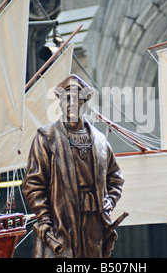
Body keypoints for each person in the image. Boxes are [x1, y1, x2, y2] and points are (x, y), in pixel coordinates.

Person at [22, 74, 125, 258]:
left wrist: (109, 201)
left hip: (94, 230)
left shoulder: (101, 142)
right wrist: (44, 218)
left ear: (85, 103)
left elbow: (115, 179)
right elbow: (33, 184)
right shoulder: (47, 138)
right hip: (60, 226)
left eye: (78, 98)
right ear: (60, 103)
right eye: (67, 98)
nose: (72, 103)